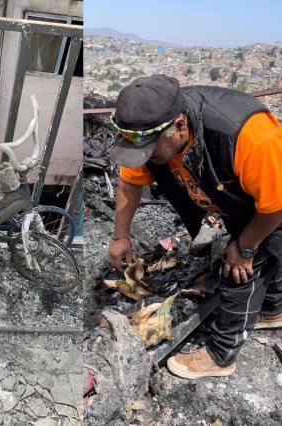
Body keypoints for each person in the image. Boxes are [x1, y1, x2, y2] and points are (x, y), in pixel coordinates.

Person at [107, 74, 282, 379]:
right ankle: (272, 309)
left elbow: (275, 206)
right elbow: (129, 184)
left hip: (275, 199)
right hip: (246, 194)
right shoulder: (149, 125)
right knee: (254, 250)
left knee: (241, 267)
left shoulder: (249, 137)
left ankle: (221, 355)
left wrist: (245, 247)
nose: (146, 159)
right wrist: (120, 236)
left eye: (151, 151)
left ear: (180, 126)